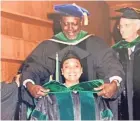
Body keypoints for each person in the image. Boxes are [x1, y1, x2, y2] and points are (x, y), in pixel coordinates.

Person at [18, 3, 124, 120]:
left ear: (82, 22)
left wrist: (114, 84)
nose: (69, 28)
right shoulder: (48, 46)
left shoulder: (95, 44)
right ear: (60, 23)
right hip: (57, 108)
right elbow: (32, 68)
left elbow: (111, 65)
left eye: (74, 24)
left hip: (91, 104)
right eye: (65, 24)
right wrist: (31, 85)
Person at [30, 47, 113, 120]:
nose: (72, 69)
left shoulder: (94, 94)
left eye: (76, 66)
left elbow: (107, 117)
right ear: (62, 71)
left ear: (81, 70)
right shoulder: (50, 95)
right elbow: (37, 118)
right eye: (67, 66)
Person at [112, 7, 140, 120]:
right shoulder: (114, 51)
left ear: (138, 26)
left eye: (126, 25)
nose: (122, 29)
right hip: (121, 102)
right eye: (120, 26)